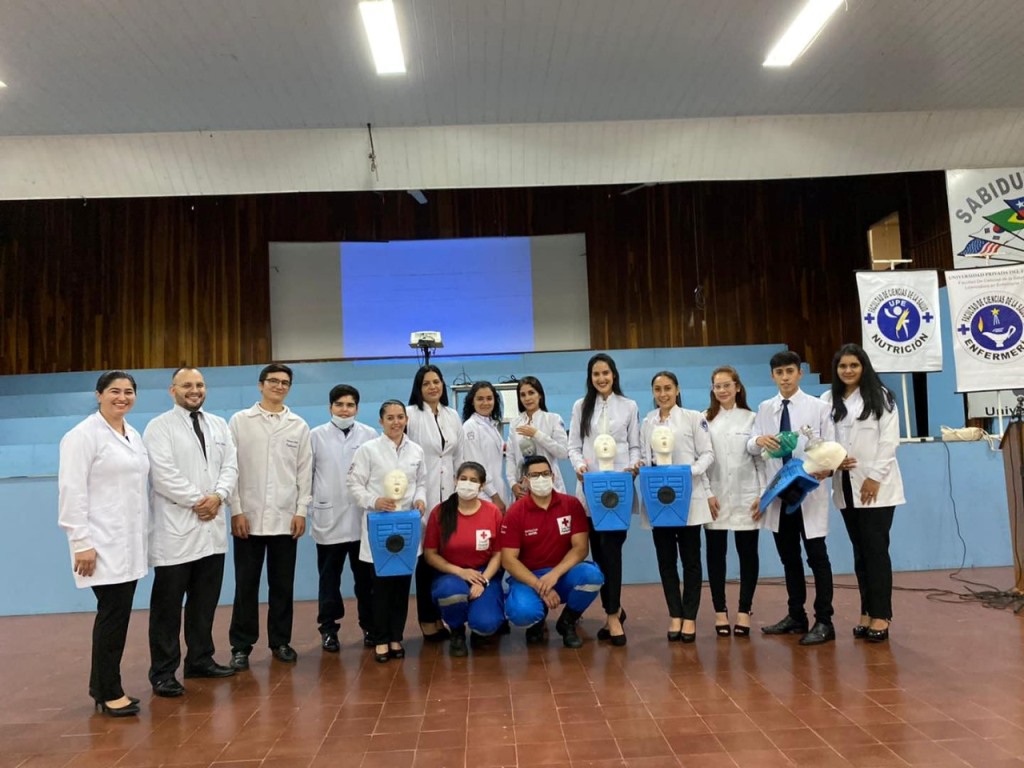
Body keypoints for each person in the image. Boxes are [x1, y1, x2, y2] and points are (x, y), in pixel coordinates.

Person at [58, 371, 149, 717]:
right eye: (114, 391)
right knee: (112, 615)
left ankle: (103, 685)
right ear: (99, 395)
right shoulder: (82, 436)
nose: (122, 397)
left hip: (127, 540)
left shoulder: (132, 433)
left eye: (128, 392)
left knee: (117, 614)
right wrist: (81, 541)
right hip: (100, 542)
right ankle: (109, 690)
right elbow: (71, 491)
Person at [144, 367, 239, 698]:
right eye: (187, 385)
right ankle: (163, 671)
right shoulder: (159, 428)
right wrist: (199, 500)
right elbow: (163, 475)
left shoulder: (218, 424)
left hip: (211, 529)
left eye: (199, 385)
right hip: (177, 530)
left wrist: (218, 496)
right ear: (173, 391)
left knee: (204, 602)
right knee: (168, 607)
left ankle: (200, 659)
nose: (194, 390)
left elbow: (231, 466)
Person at [748, 350, 836, 646]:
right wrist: (759, 441)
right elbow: (754, 447)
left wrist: (824, 466)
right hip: (779, 493)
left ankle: (824, 620)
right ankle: (796, 615)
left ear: (799, 373)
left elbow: (832, 446)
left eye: (789, 371)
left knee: (817, 556)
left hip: (808, 490)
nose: (784, 377)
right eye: (779, 373)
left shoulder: (818, 407)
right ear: (772, 376)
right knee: (789, 558)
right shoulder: (765, 408)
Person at [227, 364, 312, 669]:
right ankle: (241, 646)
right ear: (260, 385)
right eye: (273, 381)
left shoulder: (298, 426)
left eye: (284, 382)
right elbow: (230, 470)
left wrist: (301, 511)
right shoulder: (239, 422)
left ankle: (280, 641)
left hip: (285, 520)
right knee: (245, 586)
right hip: (247, 519)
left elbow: (304, 473)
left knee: (282, 585)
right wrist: (235, 509)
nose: (279, 386)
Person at [822, 343, 905, 643]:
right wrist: (833, 459)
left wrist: (873, 478)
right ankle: (867, 612)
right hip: (845, 485)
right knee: (860, 553)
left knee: (875, 551)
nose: (847, 371)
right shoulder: (828, 400)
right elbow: (821, 441)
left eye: (853, 366)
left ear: (864, 367)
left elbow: (889, 442)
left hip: (876, 487)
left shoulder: (881, 397)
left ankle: (882, 616)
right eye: (842, 366)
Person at [567, 352, 640, 646]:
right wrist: (580, 467)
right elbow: (573, 446)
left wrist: (633, 467)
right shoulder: (580, 406)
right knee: (598, 554)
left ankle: (611, 615)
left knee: (612, 552)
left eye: (606, 373)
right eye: (596, 374)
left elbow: (635, 446)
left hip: (618, 491)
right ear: (590, 377)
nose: (601, 379)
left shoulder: (629, 406)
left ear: (614, 375)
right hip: (590, 489)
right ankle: (616, 609)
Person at [347, 400, 428, 663]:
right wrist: (374, 501)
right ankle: (381, 639)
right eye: (390, 418)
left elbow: (422, 482)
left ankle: (396, 637)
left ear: (406, 420)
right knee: (380, 587)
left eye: (400, 417)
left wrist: (420, 499)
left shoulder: (416, 450)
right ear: (380, 421)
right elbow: (354, 484)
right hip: (379, 524)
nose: (396, 422)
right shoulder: (368, 450)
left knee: (402, 587)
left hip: (407, 525)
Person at [639, 371, 714, 642]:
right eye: (658, 389)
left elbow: (708, 454)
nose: (663, 394)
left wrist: (689, 472)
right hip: (658, 499)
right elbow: (644, 456)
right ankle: (675, 613)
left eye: (668, 388)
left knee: (691, 561)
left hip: (688, 497)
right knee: (666, 560)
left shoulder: (694, 418)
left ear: (677, 388)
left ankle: (690, 617)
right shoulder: (647, 422)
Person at [500, 456, 605, 648]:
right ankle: (536, 622)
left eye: (545, 474)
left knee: (592, 577)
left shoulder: (571, 505)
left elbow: (581, 548)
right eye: (535, 475)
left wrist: (554, 575)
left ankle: (567, 623)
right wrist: (540, 584)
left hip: (562, 574)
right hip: (529, 578)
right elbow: (508, 560)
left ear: (553, 475)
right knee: (522, 612)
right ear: (525, 480)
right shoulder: (515, 512)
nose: (541, 478)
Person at [309, 384, 377, 652]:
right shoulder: (315, 436)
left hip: (361, 520)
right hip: (329, 519)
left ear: (357, 408)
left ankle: (370, 627)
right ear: (330, 407)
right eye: (339, 405)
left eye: (350, 405)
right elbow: (306, 476)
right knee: (329, 580)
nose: (344, 409)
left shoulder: (370, 435)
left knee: (366, 582)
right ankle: (328, 629)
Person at [704, 366, 765, 638]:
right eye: (717, 386)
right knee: (716, 556)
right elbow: (703, 461)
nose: (723, 390)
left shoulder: (752, 418)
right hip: (715, 497)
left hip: (747, 496)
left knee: (747, 554)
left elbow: (761, 461)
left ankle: (744, 610)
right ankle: (720, 611)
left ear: (738, 387)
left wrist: (763, 494)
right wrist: (707, 493)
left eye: (727, 385)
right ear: (712, 390)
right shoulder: (704, 419)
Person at [406, 365, 464, 640]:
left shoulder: (452, 414)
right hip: (421, 496)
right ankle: (428, 618)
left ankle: (445, 615)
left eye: (437, 382)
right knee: (425, 559)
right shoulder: (410, 415)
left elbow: (459, 456)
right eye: (426, 383)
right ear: (419, 387)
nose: (433, 387)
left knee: (446, 554)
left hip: (450, 496)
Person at [423, 461, 505, 657]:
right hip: (451, 574)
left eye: (474, 480)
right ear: (455, 481)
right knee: (452, 595)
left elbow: (498, 554)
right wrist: (461, 572)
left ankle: (478, 629)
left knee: (487, 624)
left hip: (484, 573)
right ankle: (457, 631)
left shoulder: (492, 512)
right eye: (463, 479)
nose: (468, 484)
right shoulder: (440, 512)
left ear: (482, 486)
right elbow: (430, 554)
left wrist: (483, 580)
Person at [506, 376, 569, 499]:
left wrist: (537, 434)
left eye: (531, 393)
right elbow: (510, 456)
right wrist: (512, 484)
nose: (527, 398)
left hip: (549, 485)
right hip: (524, 488)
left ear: (540, 395)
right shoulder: (515, 423)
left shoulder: (553, 419)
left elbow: (563, 453)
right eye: (523, 395)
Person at [460, 381, 508, 512]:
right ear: (472, 401)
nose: (485, 403)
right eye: (480, 399)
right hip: (484, 494)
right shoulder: (470, 427)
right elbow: (477, 467)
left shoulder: (491, 424)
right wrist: (495, 497)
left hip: (496, 489)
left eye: (489, 398)